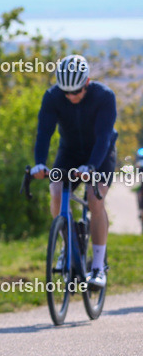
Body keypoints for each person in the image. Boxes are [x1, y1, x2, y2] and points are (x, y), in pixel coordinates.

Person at [30, 54, 118, 287]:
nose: (71, 97)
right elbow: (44, 133)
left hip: (101, 153)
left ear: (86, 82)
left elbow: (103, 137)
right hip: (69, 152)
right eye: (66, 92)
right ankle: (68, 246)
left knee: (94, 200)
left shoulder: (104, 97)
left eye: (76, 91)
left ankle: (98, 267)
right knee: (56, 193)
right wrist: (40, 163)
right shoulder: (52, 97)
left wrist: (91, 166)